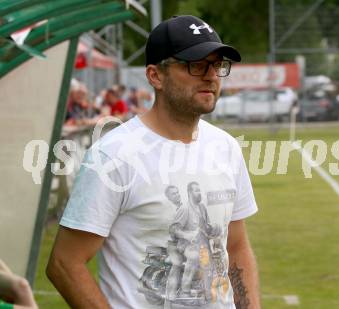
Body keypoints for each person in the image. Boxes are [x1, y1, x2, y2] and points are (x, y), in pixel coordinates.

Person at [47, 15, 260, 308]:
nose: (211, 75)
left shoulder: (226, 148)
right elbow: (64, 264)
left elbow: (235, 246)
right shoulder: (114, 155)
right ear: (155, 76)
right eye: (196, 65)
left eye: (217, 65)